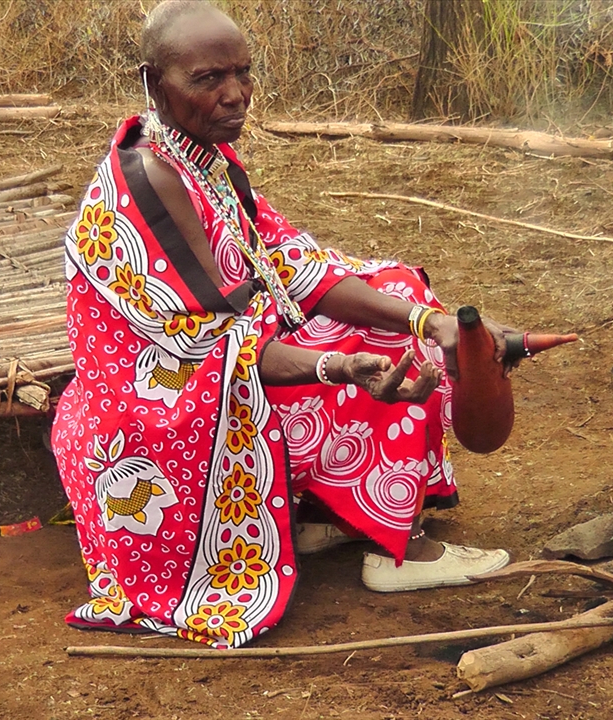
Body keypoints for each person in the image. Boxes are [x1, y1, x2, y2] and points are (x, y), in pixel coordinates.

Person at [51, 0, 515, 649]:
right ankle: (395, 549)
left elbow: (293, 263)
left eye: (242, 72)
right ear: (154, 83)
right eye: (208, 79)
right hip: (163, 423)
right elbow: (220, 351)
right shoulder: (150, 184)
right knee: (360, 345)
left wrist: (427, 319)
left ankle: (344, 516)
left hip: (229, 367)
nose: (235, 94)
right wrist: (342, 368)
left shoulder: (199, 157)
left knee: (396, 293)